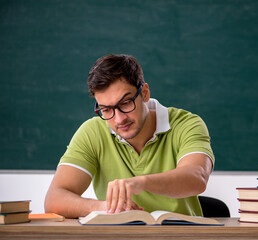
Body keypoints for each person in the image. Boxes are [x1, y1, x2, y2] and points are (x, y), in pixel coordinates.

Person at [45, 54, 215, 218]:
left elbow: (197, 177)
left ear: (145, 93)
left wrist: (140, 182)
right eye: (106, 109)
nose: (119, 119)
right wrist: (104, 207)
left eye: (126, 103)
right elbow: (54, 199)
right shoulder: (92, 132)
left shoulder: (186, 124)